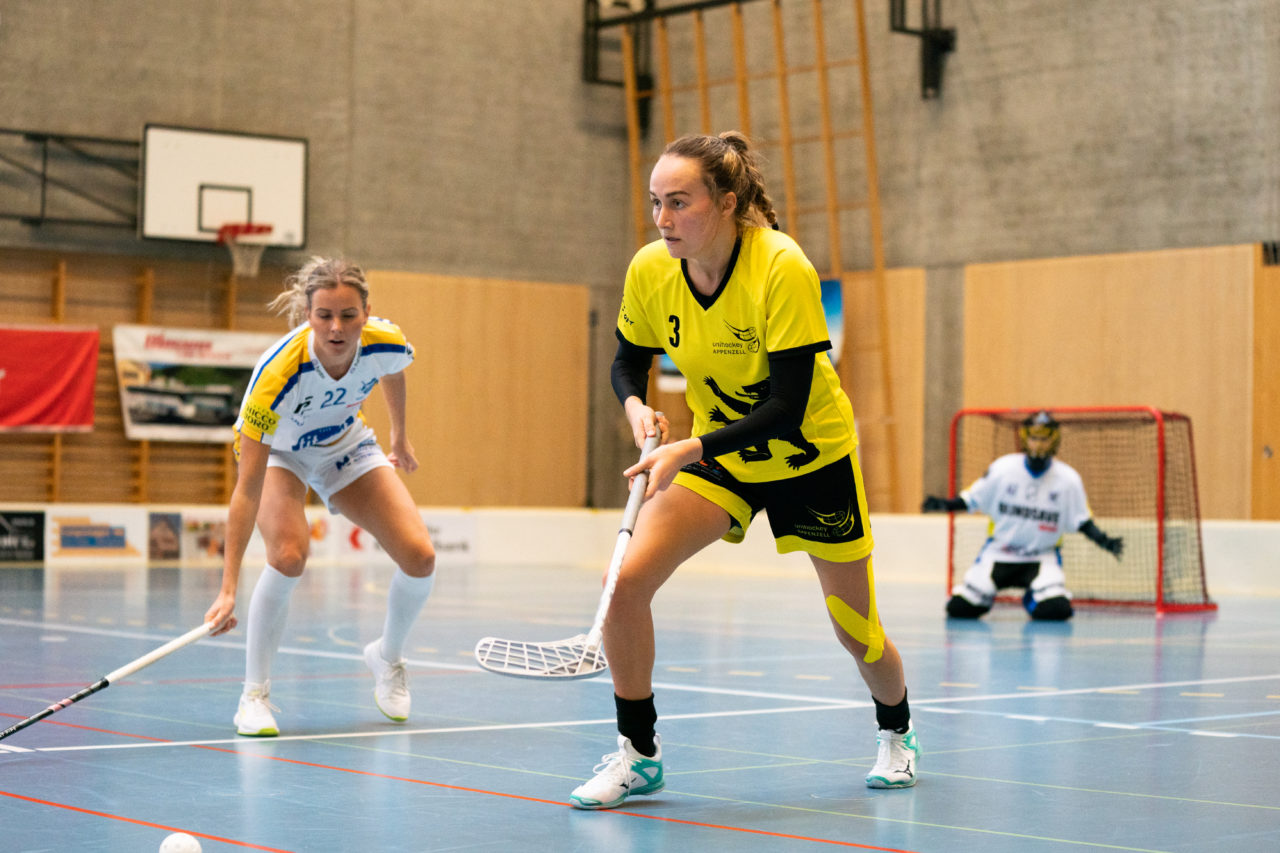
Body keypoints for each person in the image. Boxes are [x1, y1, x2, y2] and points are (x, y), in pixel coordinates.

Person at [569, 131, 919, 811]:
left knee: (856, 626)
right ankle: (639, 755)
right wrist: (639, 406)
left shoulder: (780, 266)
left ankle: (897, 730)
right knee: (624, 585)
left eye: (679, 202)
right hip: (721, 457)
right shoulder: (651, 269)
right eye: (655, 203)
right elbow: (626, 360)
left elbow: (787, 408)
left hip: (809, 457)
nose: (663, 219)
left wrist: (685, 450)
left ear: (727, 202)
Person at [203, 257, 436, 736]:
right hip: (281, 457)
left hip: (343, 445)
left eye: (348, 315)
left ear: (366, 312)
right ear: (308, 314)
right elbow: (246, 490)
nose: (336, 327)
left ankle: (387, 658)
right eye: (325, 315)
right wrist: (228, 588)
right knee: (288, 556)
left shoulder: (383, 340)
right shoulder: (277, 376)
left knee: (420, 556)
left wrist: (399, 436)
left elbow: (393, 371)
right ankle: (254, 695)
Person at [922, 410, 1124, 621]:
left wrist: (1104, 541)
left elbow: (1081, 520)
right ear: (1025, 439)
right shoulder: (1003, 469)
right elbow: (974, 498)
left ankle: (1033, 596)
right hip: (999, 553)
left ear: (1054, 440)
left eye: (1044, 438)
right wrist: (945, 504)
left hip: (1041, 556)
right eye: (1034, 438)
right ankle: (984, 594)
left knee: (1056, 610)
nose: (1039, 444)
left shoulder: (1068, 480)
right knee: (960, 608)